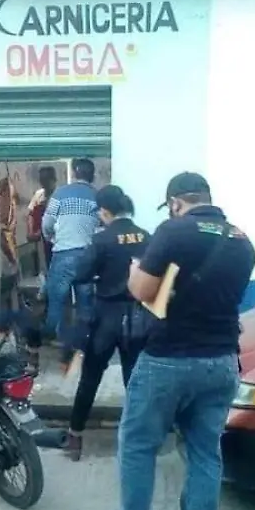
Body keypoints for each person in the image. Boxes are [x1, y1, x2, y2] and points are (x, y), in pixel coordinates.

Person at [90, 172, 255, 510]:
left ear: (176, 203)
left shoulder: (173, 231)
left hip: (169, 358)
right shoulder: (242, 240)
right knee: (204, 452)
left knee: (138, 443)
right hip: (222, 360)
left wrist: (135, 270)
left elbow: (142, 291)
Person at [63, 186, 151, 461]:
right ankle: (137, 441)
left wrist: (99, 275)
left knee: (90, 377)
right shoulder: (146, 237)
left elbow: (80, 274)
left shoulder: (102, 240)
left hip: (106, 318)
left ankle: (75, 437)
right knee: (134, 381)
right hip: (138, 316)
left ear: (104, 211)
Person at [41, 159, 100, 358]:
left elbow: (47, 223)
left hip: (63, 253)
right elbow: (101, 227)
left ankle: (57, 343)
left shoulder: (60, 193)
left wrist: (51, 238)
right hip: (87, 255)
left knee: (57, 300)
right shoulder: (97, 196)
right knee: (85, 302)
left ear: (74, 173)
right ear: (93, 175)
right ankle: (83, 343)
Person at [26, 166, 58, 269]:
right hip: (42, 238)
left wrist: (40, 231)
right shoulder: (39, 194)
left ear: (53, 179)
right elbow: (31, 214)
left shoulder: (59, 195)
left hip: (57, 237)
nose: (43, 183)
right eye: (41, 180)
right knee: (46, 263)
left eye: (46, 180)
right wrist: (30, 231)